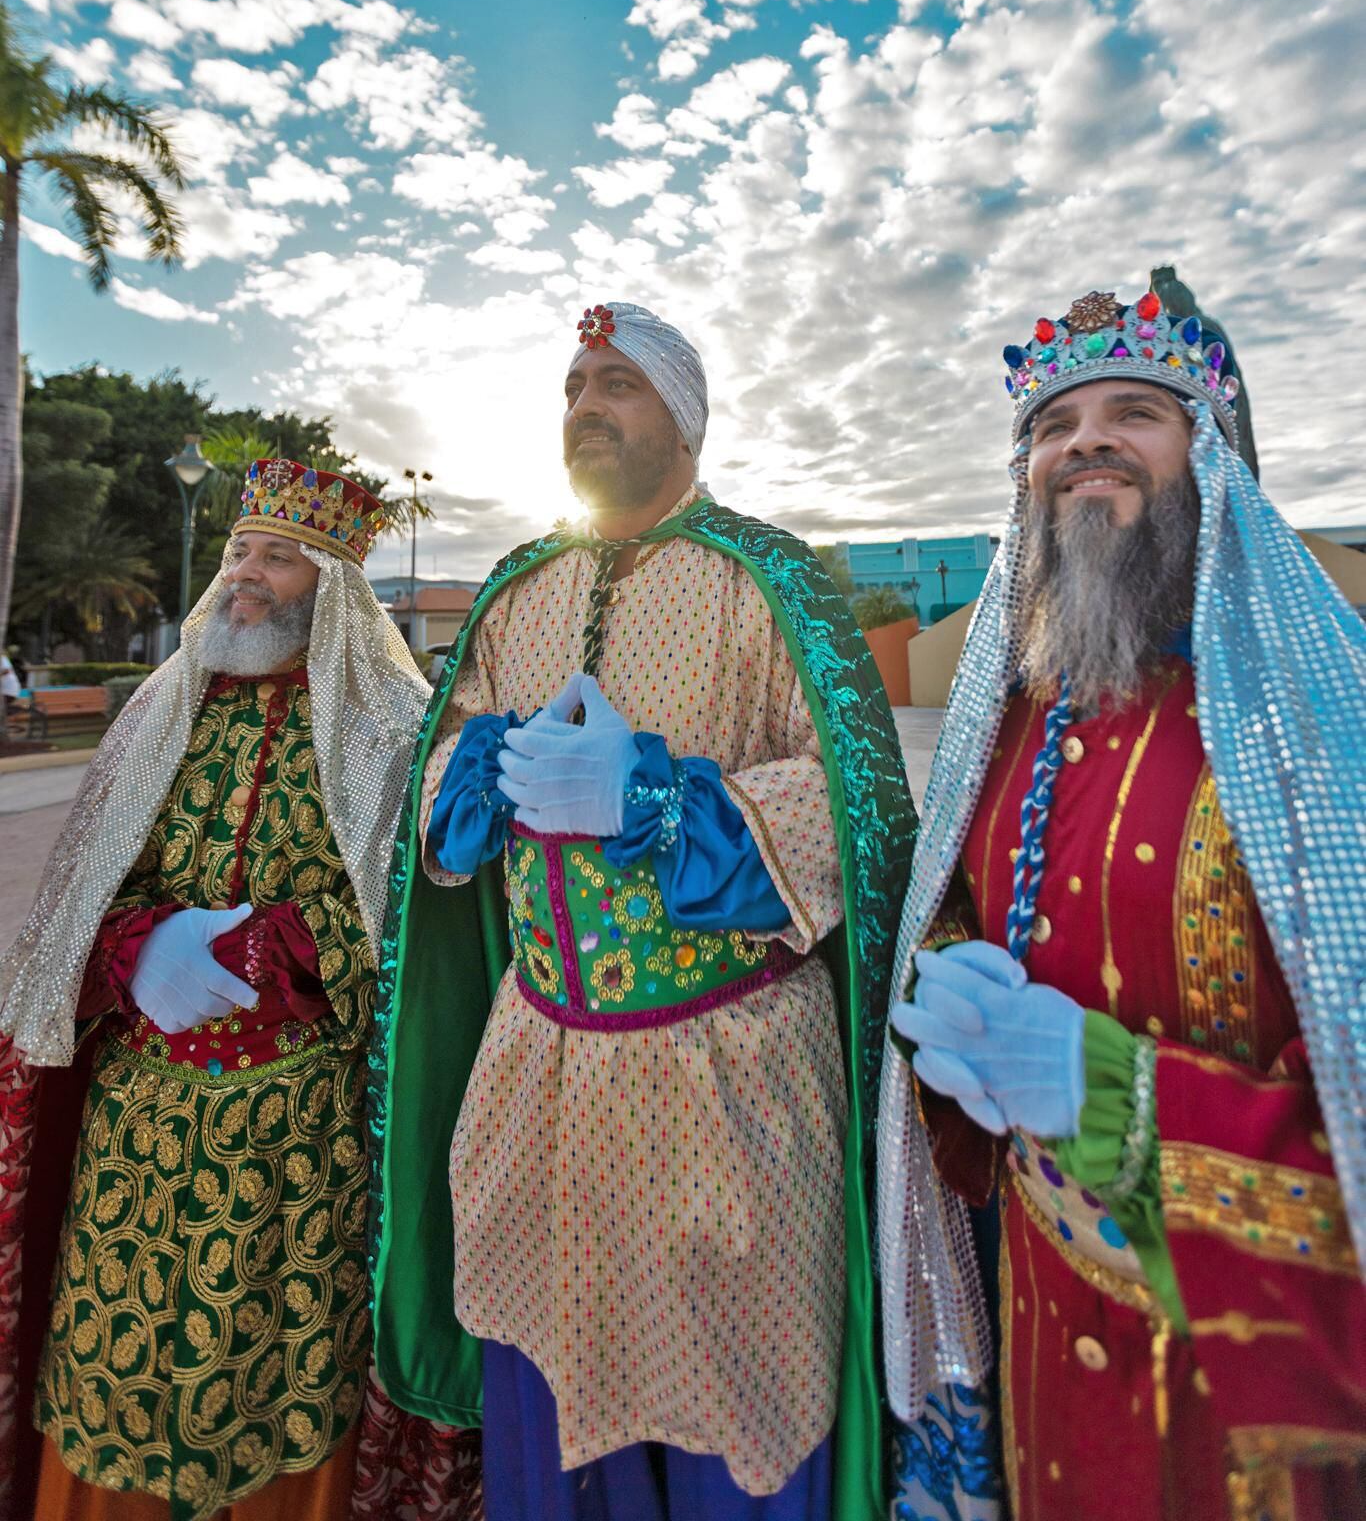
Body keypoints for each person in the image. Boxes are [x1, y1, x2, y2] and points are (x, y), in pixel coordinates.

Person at [370, 300, 919, 1521]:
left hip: (723, 1088)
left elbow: (854, 813)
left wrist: (653, 798)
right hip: (534, 1077)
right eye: (573, 384)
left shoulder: (769, 579)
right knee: (548, 1414)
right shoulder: (517, 588)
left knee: (733, 1423)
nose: (584, 404)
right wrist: (486, 765)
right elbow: (442, 806)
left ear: (684, 416)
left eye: (615, 382)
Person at [878, 278, 1366, 1521]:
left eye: (1133, 412)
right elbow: (958, 906)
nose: (1083, 440)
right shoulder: (1007, 725)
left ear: (1212, 461)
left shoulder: (1316, 727)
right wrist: (941, 985)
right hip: (1045, 1345)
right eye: (1053, 423)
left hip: (1247, 1408)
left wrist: (1124, 1103)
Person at [0, 459, 436, 1521]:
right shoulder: (161, 711)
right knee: (115, 1364)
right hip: (136, 1133)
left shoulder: (390, 729)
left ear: (329, 584)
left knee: (278, 1384)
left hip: (298, 1139)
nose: (244, 573)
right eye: (240, 548)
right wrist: (140, 945)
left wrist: (259, 956)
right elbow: (83, 895)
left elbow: (409, 912)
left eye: (277, 555)